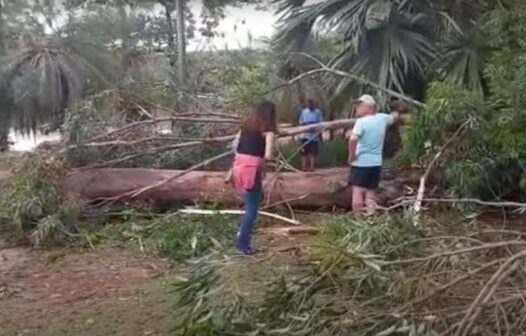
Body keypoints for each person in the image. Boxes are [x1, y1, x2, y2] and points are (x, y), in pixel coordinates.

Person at [229, 101, 276, 255]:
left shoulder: (245, 127)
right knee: (252, 208)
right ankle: (242, 243)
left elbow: (234, 146)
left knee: (253, 199)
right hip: (252, 169)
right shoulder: (268, 131)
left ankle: (241, 235)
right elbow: (268, 155)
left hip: (239, 166)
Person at [347, 94, 400, 215]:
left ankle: (358, 219)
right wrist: (398, 111)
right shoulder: (382, 118)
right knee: (371, 192)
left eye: (360, 105)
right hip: (375, 163)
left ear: (369, 107)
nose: (357, 108)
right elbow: (394, 116)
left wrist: (351, 155)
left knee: (358, 191)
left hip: (360, 162)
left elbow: (352, 139)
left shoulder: (361, 122)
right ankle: (371, 218)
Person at [298, 99, 324, 171]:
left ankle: (311, 167)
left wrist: (319, 135)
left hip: (314, 137)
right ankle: (304, 167)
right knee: (304, 153)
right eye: (308, 105)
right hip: (304, 136)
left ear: (313, 105)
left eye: (311, 105)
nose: (310, 106)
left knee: (312, 153)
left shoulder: (318, 112)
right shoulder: (304, 112)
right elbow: (300, 122)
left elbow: (321, 123)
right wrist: (306, 124)